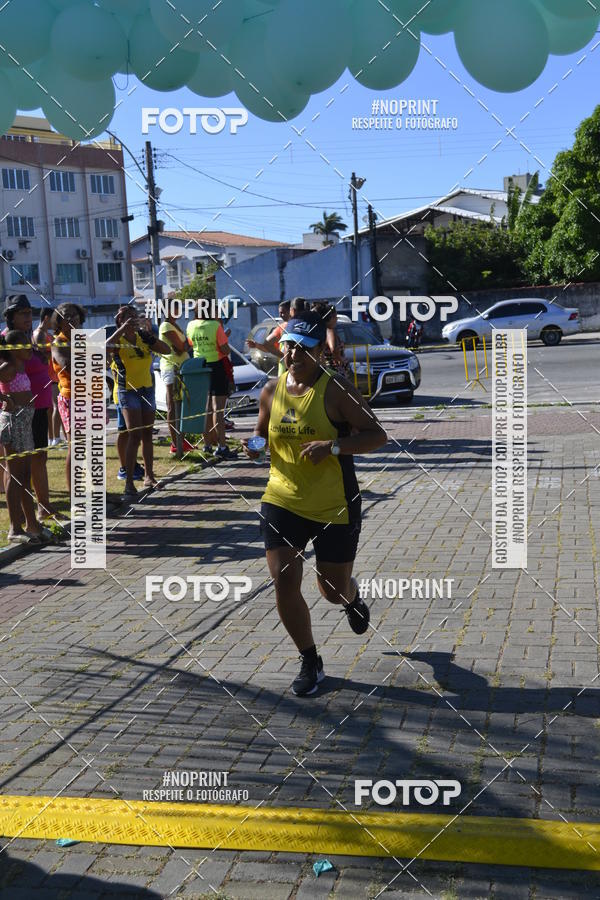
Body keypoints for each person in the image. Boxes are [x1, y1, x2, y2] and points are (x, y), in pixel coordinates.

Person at [242, 312, 388, 697]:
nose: (294, 354)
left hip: (333, 504)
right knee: (285, 582)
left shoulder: (336, 390)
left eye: (303, 348)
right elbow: (261, 438)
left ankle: (352, 600)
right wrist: (253, 449)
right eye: (289, 346)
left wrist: (333, 446)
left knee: (331, 588)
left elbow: (377, 434)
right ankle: (311, 660)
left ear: (320, 353)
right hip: (281, 498)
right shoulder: (271, 390)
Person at [1, 295, 55, 520]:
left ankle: (43, 509)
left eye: (29, 313)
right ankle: (23, 517)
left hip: (40, 407)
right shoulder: (5, 340)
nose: (27, 317)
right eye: (22, 313)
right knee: (17, 467)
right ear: (11, 317)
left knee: (39, 458)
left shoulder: (28, 339)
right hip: (19, 412)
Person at [108, 306, 170, 496]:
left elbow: (166, 350)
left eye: (135, 317)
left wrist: (150, 334)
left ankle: (149, 476)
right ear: (120, 320)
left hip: (147, 389)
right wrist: (121, 329)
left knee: (147, 434)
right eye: (128, 318)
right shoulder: (118, 340)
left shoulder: (143, 337)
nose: (132, 320)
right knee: (133, 435)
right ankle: (128, 483)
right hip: (127, 391)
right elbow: (104, 348)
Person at [186, 301, 237, 460]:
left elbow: (191, 344)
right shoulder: (215, 325)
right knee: (218, 410)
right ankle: (222, 446)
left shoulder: (190, 325)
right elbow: (224, 348)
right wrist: (225, 340)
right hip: (216, 366)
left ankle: (207, 445)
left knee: (204, 408)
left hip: (199, 366)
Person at [50, 303, 87, 494]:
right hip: (71, 398)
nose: (71, 319)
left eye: (74, 315)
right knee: (76, 448)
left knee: (90, 448)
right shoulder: (59, 342)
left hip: (90, 398)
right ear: (59, 321)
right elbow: (67, 365)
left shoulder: (84, 339)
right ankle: (75, 495)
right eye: (66, 316)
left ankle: (91, 491)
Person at [158, 300, 193, 458]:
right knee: (172, 406)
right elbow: (181, 347)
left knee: (181, 406)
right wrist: (185, 345)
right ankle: (175, 443)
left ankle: (181, 440)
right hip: (172, 368)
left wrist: (185, 345)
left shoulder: (176, 325)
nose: (178, 310)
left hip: (182, 367)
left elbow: (185, 346)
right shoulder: (166, 326)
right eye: (175, 308)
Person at [34, 308, 63, 448]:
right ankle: (55, 438)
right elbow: (41, 357)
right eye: (53, 318)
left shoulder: (46, 334)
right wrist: (54, 349)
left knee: (54, 408)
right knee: (56, 407)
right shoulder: (39, 334)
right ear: (46, 318)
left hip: (53, 375)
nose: (55, 322)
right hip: (48, 377)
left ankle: (54, 438)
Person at [247, 300, 290, 377]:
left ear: (291, 311)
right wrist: (256, 345)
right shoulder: (281, 327)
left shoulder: (293, 327)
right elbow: (267, 347)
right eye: (280, 313)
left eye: (283, 312)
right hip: (284, 373)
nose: (281, 315)